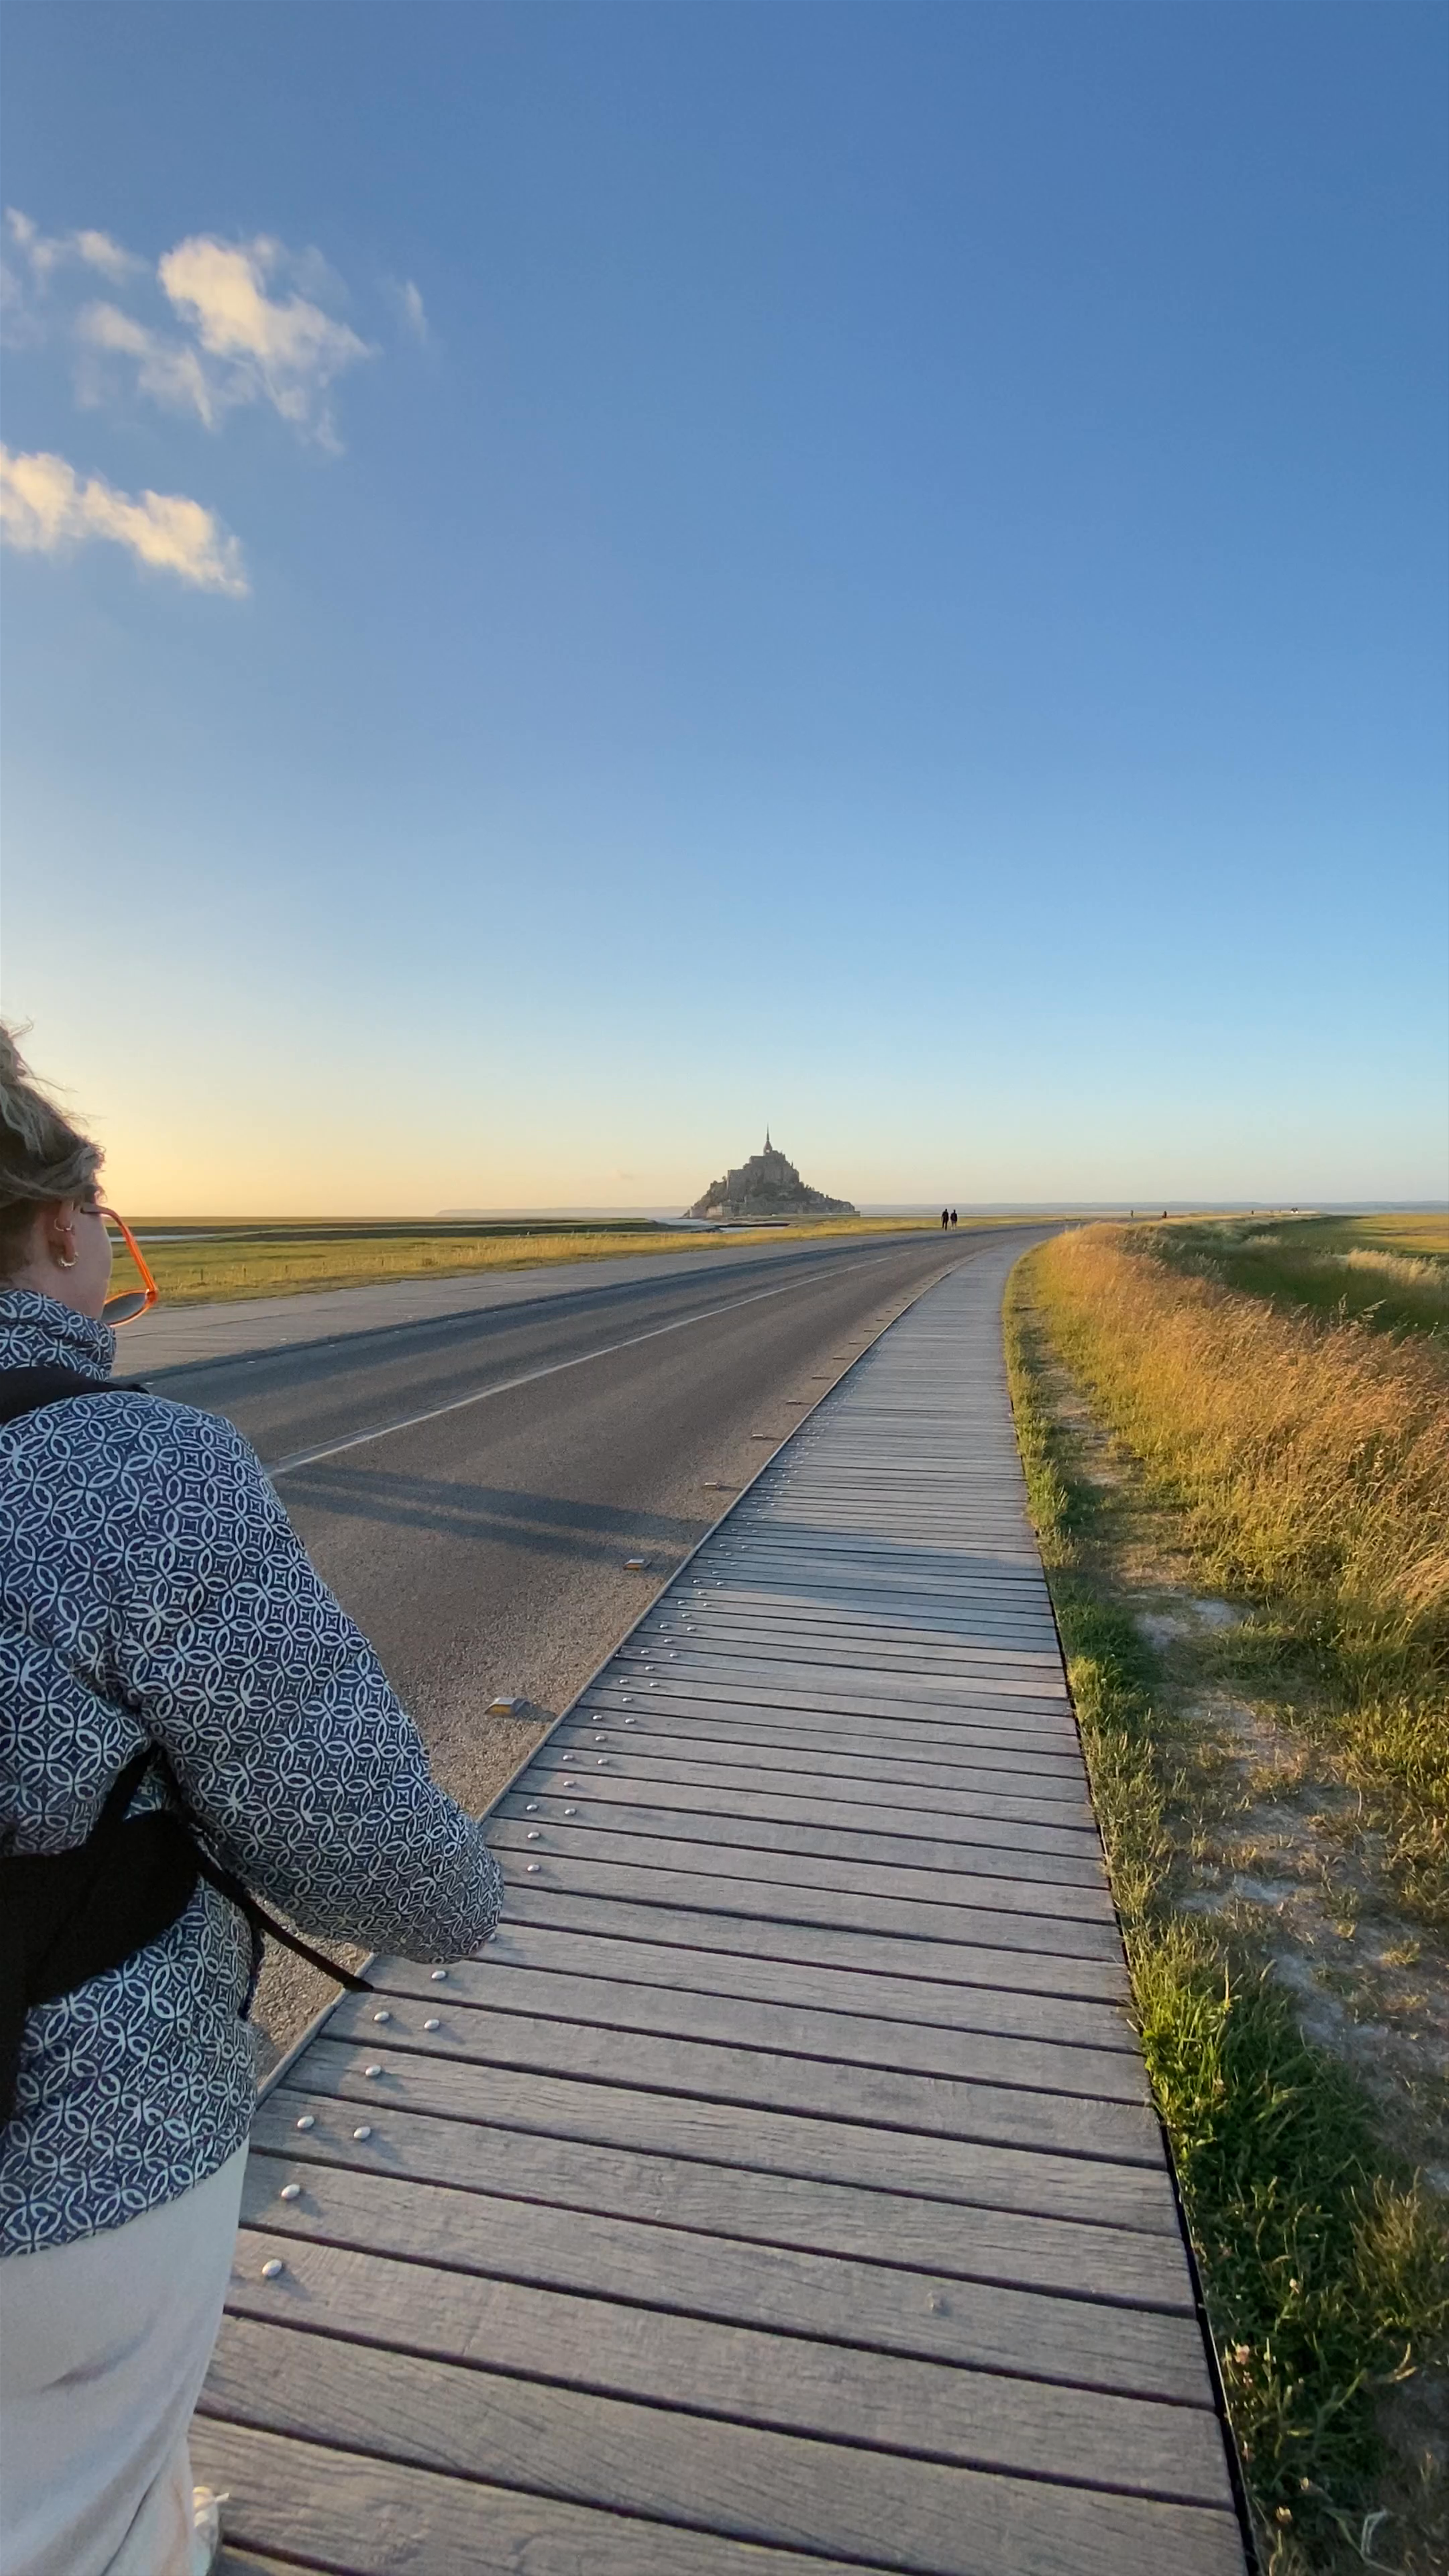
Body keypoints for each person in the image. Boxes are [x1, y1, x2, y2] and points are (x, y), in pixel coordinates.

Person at [0, 1028, 503, 2576]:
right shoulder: (135, 1470)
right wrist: (466, 1899)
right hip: (79, 2154)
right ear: (70, 1224)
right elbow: (362, 1838)